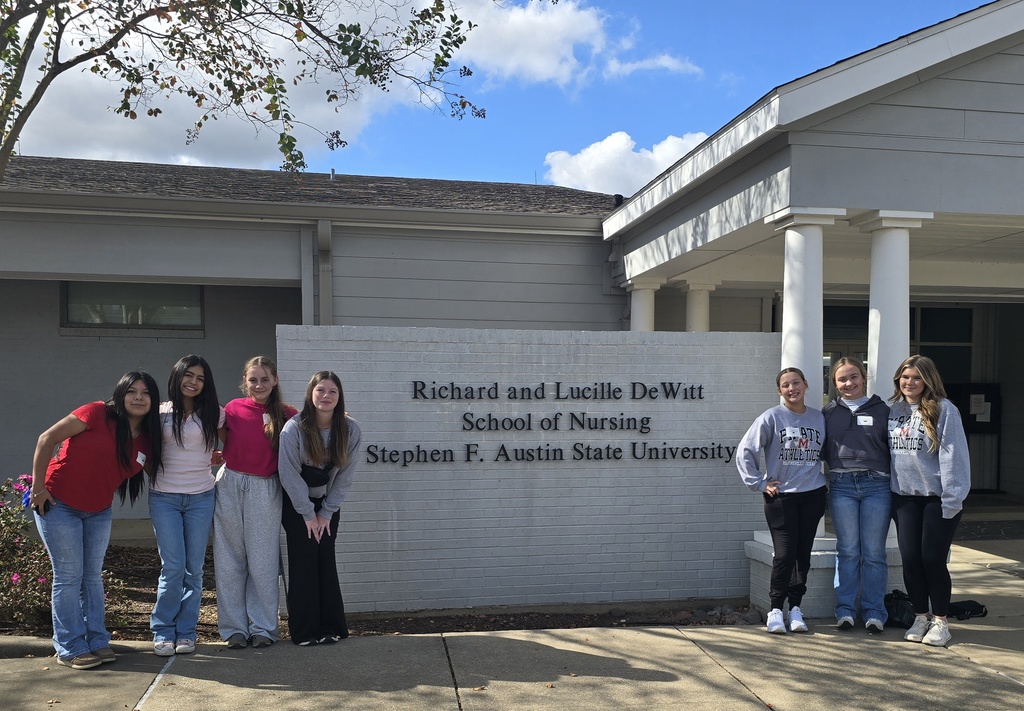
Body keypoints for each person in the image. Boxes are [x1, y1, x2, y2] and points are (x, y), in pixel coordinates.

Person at [29, 372, 162, 670]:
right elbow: (46, 439)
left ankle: (97, 640)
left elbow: (169, 468)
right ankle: (70, 646)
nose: (138, 397)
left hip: (99, 510)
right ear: (120, 394)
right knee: (68, 576)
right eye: (132, 391)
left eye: (145, 392)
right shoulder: (96, 413)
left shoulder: (147, 440)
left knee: (91, 576)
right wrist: (38, 488)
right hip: (59, 504)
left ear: (153, 400)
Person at [214, 355, 297, 649]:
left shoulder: (287, 414)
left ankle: (263, 627)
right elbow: (222, 439)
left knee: (262, 561)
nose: (258, 385)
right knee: (229, 559)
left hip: (266, 488)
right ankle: (234, 628)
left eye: (264, 379)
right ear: (244, 382)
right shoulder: (233, 409)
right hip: (230, 484)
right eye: (253, 379)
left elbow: (315, 429)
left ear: (274, 381)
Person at [737, 367, 826, 635]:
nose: (792, 389)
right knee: (785, 555)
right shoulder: (771, 418)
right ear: (779, 391)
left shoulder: (819, 418)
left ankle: (796, 609)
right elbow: (745, 451)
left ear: (806, 384)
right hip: (782, 499)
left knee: (803, 555)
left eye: (796, 383)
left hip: (812, 495)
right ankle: (776, 609)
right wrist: (759, 483)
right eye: (785, 385)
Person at [889, 355, 970, 647]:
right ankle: (921, 616)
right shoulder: (892, 410)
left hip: (938, 498)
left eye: (917, 378)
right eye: (905, 377)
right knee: (910, 560)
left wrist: (953, 497)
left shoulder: (944, 410)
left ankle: (941, 621)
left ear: (928, 380)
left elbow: (954, 455)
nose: (909, 383)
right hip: (904, 498)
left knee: (932, 559)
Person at [278, 371, 362, 645]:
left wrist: (325, 512)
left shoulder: (350, 430)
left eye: (332, 392)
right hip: (296, 505)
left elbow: (345, 476)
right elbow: (288, 473)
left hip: (326, 506)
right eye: (320, 390)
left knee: (325, 561)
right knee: (303, 564)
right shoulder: (294, 428)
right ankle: (304, 631)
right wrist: (307, 513)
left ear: (339, 398)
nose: (326, 396)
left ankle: (331, 627)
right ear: (310, 394)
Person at [149, 355, 224, 657]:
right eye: (188, 375)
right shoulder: (159, 412)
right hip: (164, 498)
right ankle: (163, 630)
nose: (193, 382)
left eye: (200, 378)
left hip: (201, 498)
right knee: (174, 566)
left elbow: (240, 439)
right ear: (177, 376)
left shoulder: (215, 414)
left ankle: (186, 632)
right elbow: (139, 444)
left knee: (194, 569)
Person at [822, 357, 892, 633]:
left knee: (874, 552)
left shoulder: (883, 410)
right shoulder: (828, 412)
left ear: (863, 378)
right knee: (848, 550)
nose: (848, 383)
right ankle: (846, 610)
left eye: (853, 377)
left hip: (877, 485)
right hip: (842, 485)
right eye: (842, 379)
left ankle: (875, 611)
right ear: (835, 383)